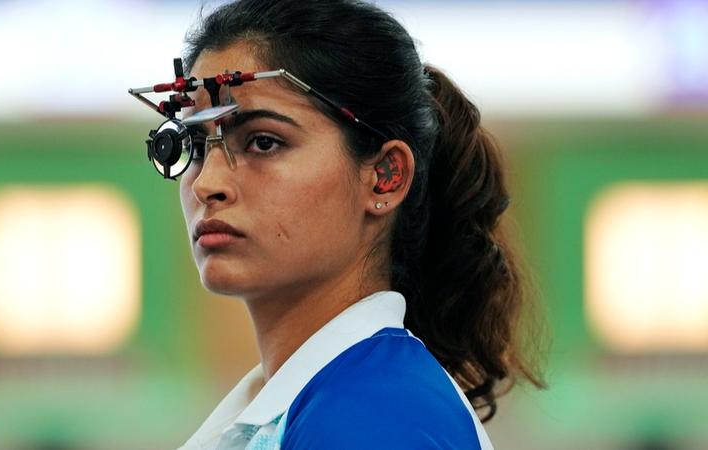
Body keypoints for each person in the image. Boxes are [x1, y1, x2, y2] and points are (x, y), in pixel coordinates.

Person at [169, 0, 545, 448]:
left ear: (385, 177)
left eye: (263, 142)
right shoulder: (312, 398)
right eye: (193, 143)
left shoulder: (378, 417)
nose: (207, 183)